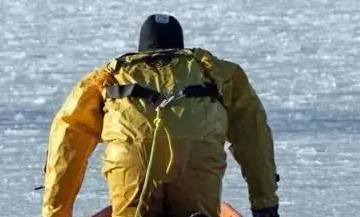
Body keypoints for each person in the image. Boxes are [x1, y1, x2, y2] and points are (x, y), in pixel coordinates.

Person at [41, 14, 280, 217]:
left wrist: (56, 211)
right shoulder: (215, 72)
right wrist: (264, 202)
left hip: (132, 162)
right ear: (180, 46)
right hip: (197, 158)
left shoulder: (109, 76)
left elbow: (68, 138)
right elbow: (253, 135)